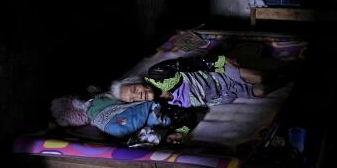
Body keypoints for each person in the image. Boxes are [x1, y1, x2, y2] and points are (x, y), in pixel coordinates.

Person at [110, 55, 286, 106]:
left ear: (137, 81)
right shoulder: (159, 104)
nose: (138, 95)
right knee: (261, 91)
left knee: (260, 77)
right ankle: (286, 81)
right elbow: (182, 116)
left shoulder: (157, 73)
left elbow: (188, 62)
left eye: (134, 90)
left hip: (218, 74)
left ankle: (285, 72)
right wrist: (179, 133)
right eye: (133, 99)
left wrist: (221, 61)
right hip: (223, 93)